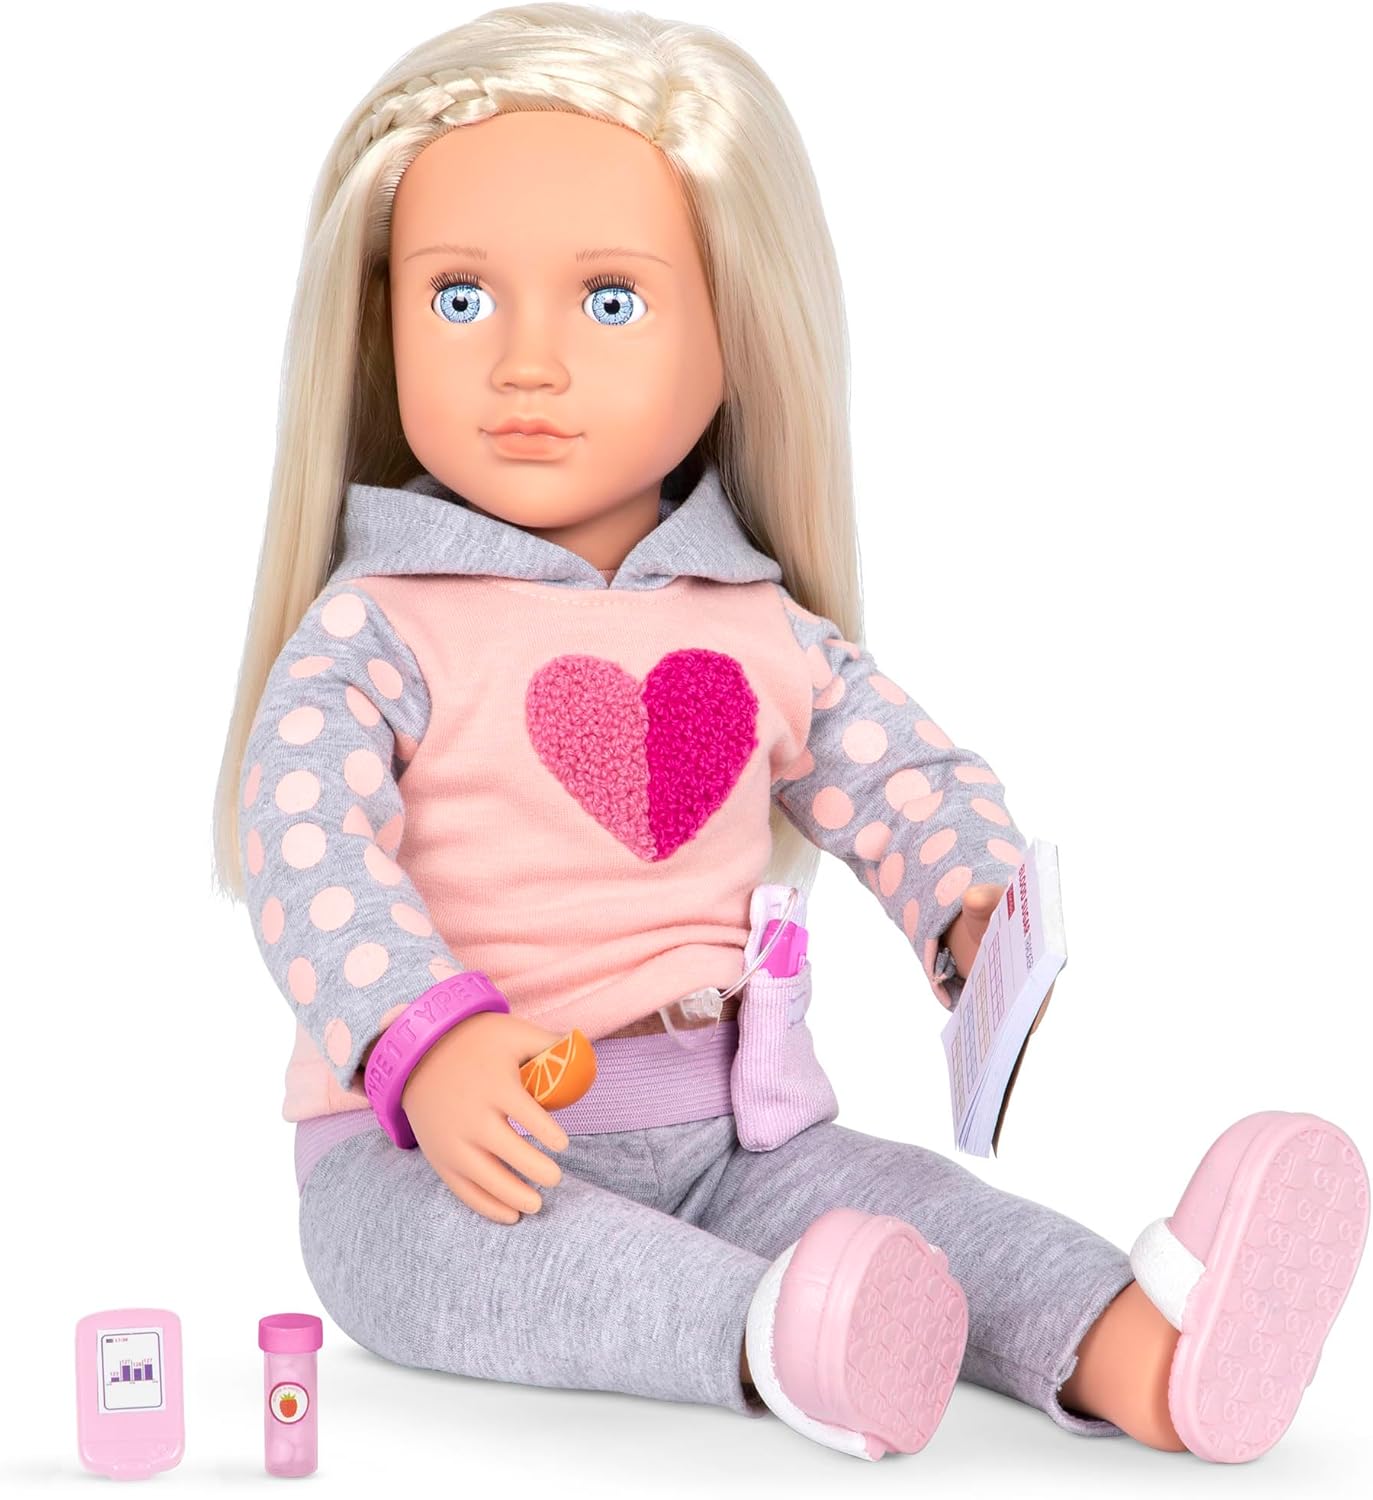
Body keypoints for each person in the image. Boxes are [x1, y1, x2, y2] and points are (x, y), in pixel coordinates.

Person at [212, 4, 1366, 1463]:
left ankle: (1141, 1349)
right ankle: (786, 1342)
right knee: (536, 1275)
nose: (525, 364)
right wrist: (422, 1045)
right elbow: (305, 850)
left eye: (608, 302)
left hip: (740, 1136)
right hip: (434, 1165)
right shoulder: (377, 631)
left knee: (921, 1216)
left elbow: (901, 776)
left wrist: (970, 904)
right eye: (458, 298)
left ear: (734, 337)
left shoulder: (753, 624)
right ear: (379, 326)